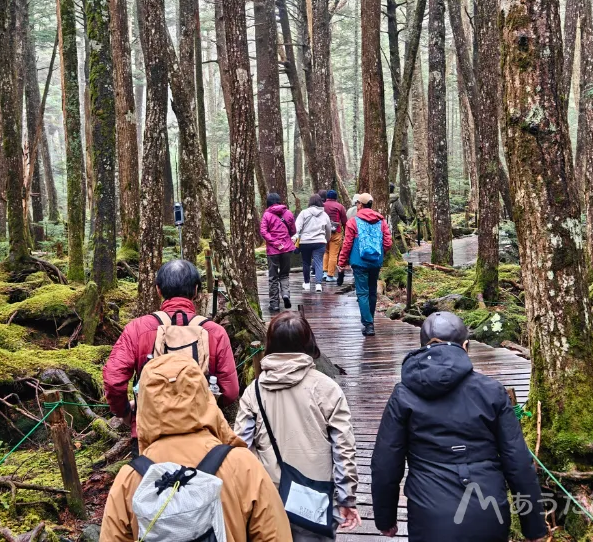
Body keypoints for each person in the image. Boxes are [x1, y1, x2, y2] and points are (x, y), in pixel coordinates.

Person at [370, 312, 548, 542]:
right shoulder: (491, 391)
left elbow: (385, 463)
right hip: (488, 509)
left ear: (423, 346)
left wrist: (385, 519)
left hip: (429, 515)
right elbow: (518, 462)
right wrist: (533, 526)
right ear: (466, 346)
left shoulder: (403, 395)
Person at [101, 354, 293, 542]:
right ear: (205, 396)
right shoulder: (243, 465)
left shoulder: (129, 480)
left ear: (145, 405)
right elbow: (275, 535)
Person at [234, 313, 361, 541]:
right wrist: (346, 498)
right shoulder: (327, 389)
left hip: (269, 498)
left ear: (270, 344)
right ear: (308, 342)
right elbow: (344, 448)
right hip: (316, 498)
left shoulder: (254, 391)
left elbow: (241, 448)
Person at [103, 259, 240, 454]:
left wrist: (126, 413)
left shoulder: (138, 329)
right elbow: (231, 391)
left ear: (158, 290)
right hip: (203, 434)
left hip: (151, 435)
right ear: (196, 290)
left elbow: (113, 379)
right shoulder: (214, 332)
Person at [337, 193, 392, 336]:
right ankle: (370, 320)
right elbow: (388, 242)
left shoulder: (353, 222)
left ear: (360, 205)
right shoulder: (381, 221)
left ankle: (368, 325)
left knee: (362, 292)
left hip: (359, 262)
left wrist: (342, 262)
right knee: (372, 290)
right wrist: (380, 253)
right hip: (375, 262)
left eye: (357, 204)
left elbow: (347, 244)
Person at [260, 193, 296, 312]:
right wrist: (285, 240)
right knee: (284, 274)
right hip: (287, 249)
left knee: (273, 277)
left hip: (273, 251)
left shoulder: (267, 215)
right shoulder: (288, 213)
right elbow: (293, 230)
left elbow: (264, 232)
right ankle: (285, 294)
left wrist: (275, 243)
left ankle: (274, 304)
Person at [294, 195, 332, 293]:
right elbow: (328, 230)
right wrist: (327, 239)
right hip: (320, 242)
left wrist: (295, 237)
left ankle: (306, 284)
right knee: (319, 262)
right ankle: (318, 285)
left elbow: (297, 227)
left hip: (305, 242)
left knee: (306, 262)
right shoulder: (324, 215)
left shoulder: (304, 213)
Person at [322, 190, 348, 282]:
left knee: (326, 252)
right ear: (336, 197)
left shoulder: (322, 206)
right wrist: (346, 232)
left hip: (324, 232)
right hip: (335, 232)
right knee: (333, 254)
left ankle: (324, 272)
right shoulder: (339, 206)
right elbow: (344, 221)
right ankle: (330, 275)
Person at [388, 183, 408, 252]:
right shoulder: (396, 200)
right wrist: (405, 221)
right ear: (393, 189)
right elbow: (401, 213)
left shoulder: (380, 198)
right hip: (393, 224)